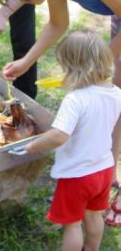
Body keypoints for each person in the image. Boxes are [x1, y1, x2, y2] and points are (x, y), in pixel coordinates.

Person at [0, 0, 121, 227]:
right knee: (115, 97)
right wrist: (26, 61)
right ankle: (107, 172)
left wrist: (99, 60)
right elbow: (57, 23)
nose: (22, 0)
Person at [24, 30, 121, 251]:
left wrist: (33, 146)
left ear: (74, 68)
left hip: (78, 174)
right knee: (94, 215)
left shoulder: (75, 99)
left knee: (72, 225)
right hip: (104, 169)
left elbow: (58, 135)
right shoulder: (116, 92)